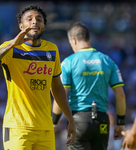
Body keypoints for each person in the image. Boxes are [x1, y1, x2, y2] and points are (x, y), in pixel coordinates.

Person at [0, 4, 76, 150]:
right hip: (18, 127)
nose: (34, 22)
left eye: (39, 19)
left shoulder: (52, 49)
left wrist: (70, 120)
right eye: (29, 19)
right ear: (21, 26)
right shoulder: (11, 49)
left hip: (45, 128)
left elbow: (56, 87)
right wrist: (12, 44)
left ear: (44, 25)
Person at [52, 22, 126, 150]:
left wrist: (53, 123)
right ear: (89, 38)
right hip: (102, 120)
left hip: (78, 120)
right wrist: (120, 123)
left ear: (73, 40)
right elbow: (120, 95)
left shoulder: (69, 62)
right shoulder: (107, 61)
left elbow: (60, 95)